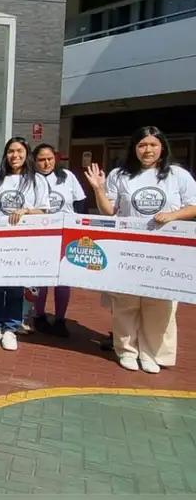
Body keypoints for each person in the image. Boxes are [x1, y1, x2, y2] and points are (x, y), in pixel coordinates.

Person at [83, 126, 196, 373]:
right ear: (134, 148)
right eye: (142, 145)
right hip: (129, 247)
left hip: (165, 249)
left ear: (162, 147)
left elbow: (193, 205)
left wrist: (173, 215)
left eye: (153, 145)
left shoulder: (176, 175)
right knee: (126, 301)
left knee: (161, 303)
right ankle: (126, 350)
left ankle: (152, 353)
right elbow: (109, 211)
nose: (148, 150)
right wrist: (98, 189)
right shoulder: (120, 174)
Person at [0, 137, 49, 351]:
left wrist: (26, 210)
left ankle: (11, 328)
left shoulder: (37, 180)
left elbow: (44, 210)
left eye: (19, 151)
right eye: (10, 151)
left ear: (26, 153)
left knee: (16, 286)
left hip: (23, 241)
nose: (14, 155)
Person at [32, 143, 86, 337]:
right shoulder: (31, 179)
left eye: (49, 159)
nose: (46, 163)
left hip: (66, 234)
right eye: (41, 159)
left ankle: (60, 319)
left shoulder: (67, 177)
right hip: (41, 235)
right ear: (34, 161)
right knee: (41, 278)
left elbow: (80, 204)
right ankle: (39, 315)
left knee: (63, 279)